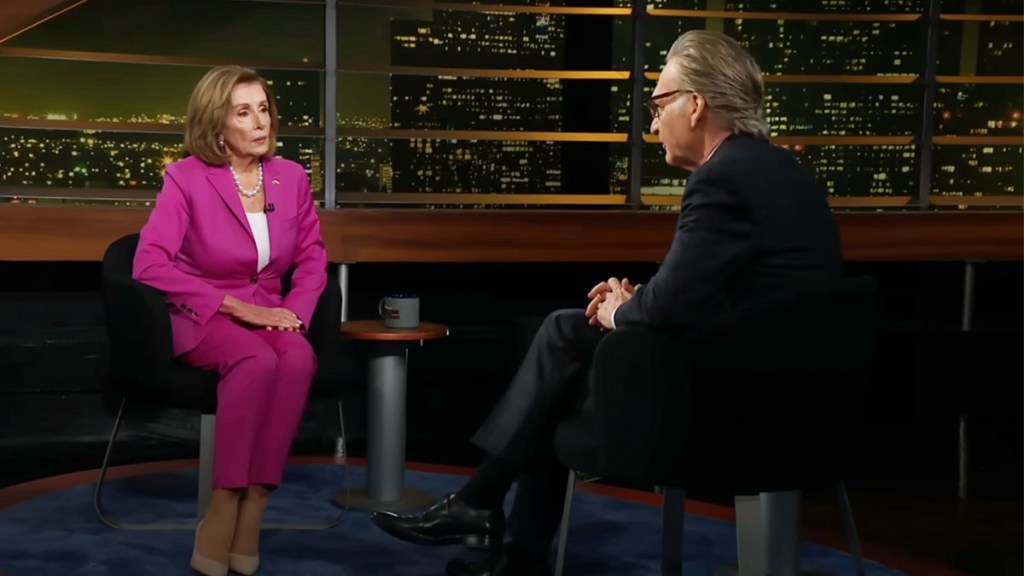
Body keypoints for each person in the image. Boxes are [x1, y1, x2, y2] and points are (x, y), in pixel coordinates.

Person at [370, 29, 843, 576]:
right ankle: (497, 531)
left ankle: (487, 515)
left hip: (734, 411)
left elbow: (674, 308)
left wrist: (622, 310)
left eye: (659, 105)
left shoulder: (723, 178)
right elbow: (719, 296)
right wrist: (638, 301)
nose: (652, 124)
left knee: (563, 355)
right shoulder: (780, 170)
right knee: (565, 353)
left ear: (695, 105)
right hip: (795, 395)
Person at [132, 65, 327, 576]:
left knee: (297, 359)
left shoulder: (291, 176)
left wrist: (295, 315)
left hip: (271, 310)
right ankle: (223, 506)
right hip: (206, 313)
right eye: (244, 112)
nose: (260, 122)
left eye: (263, 109)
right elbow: (148, 263)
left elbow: (312, 257)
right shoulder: (186, 178)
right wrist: (238, 308)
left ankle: (255, 505)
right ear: (217, 124)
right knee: (254, 359)